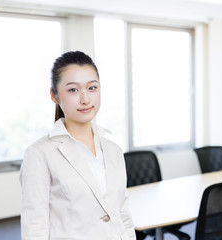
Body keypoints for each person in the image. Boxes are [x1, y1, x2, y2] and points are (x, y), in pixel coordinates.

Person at [19, 51, 136, 240]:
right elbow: (35, 228)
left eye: (92, 88)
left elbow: (123, 215)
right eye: (73, 90)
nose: (85, 99)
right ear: (54, 95)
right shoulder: (39, 154)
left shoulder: (113, 151)